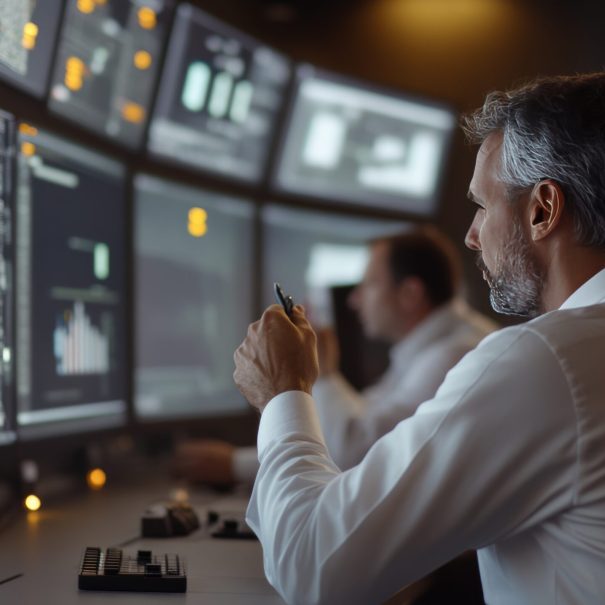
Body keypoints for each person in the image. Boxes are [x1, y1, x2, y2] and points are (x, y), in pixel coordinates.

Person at [233, 72, 605, 605]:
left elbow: (312, 565)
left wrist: (283, 391)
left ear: (542, 209)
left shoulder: (548, 363)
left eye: (482, 205)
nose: (472, 235)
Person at [173, 228, 496, 484]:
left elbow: (356, 453)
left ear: (410, 294)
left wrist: (324, 373)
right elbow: (369, 416)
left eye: (369, 284)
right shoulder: (437, 345)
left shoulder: (454, 354)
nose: (354, 301)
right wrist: (243, 461)